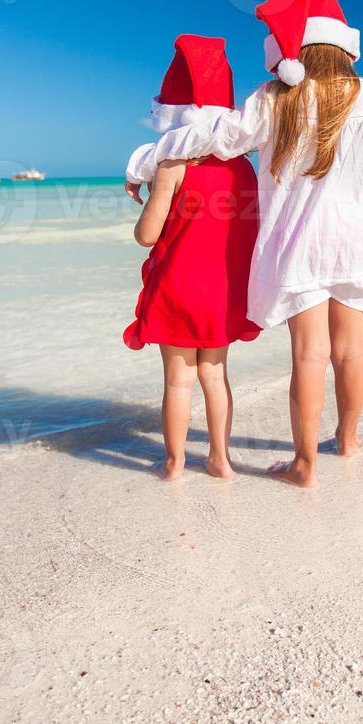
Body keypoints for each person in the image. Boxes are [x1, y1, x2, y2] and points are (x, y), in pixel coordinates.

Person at [125, 0, 363, 487]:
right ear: (341, 44)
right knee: (350, 351)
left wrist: (147, 160)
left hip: (299, 245)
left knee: (309, 354)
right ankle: (347, 440)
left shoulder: (274, 97)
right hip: (356, 240)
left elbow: (216, 137)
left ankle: (304, 464)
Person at [124, 35, 261, 481]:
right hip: (221, 292)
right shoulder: (242, 167)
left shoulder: (172, 168)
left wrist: (151, 193)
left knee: (177, 381)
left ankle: (174, 462)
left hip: (177, 290)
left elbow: (147, 236)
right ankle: (220, 459)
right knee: (215, 376)